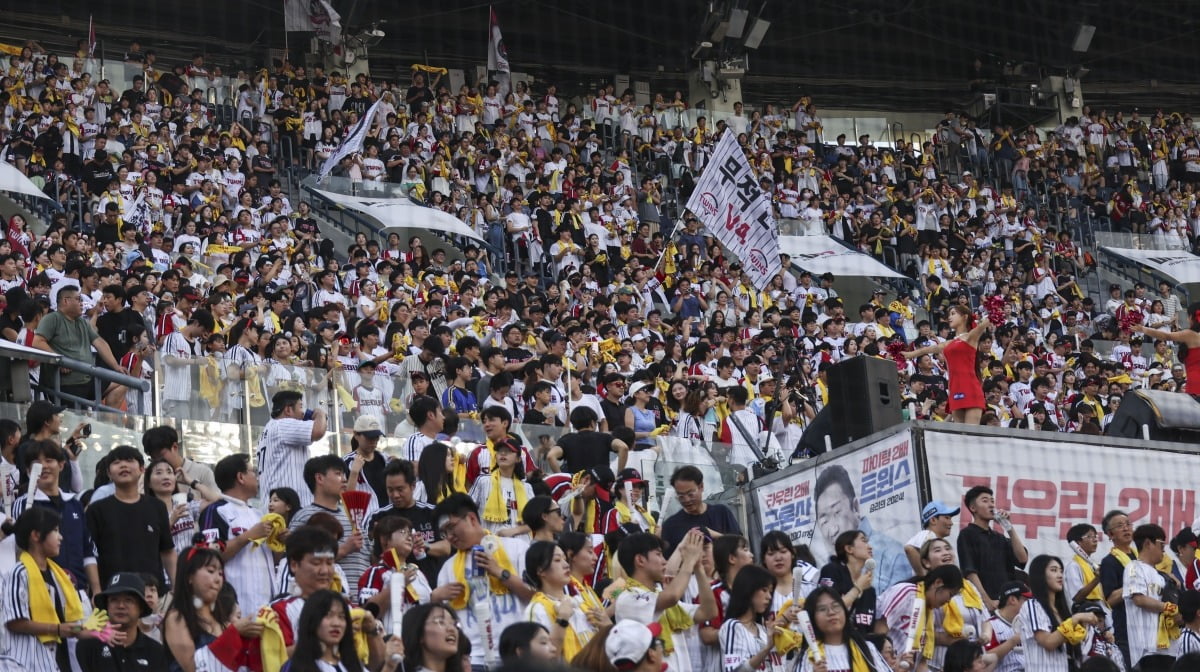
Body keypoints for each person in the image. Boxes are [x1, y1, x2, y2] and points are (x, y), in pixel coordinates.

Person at [432, 493, 534, 669]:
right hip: (473, 658)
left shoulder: (516, 548)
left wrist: (501, 573)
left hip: (516, 654)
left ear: (471, 518)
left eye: (451, 527)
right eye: (444, 532)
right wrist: (436, 598)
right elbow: (441, 620)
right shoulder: (449, 567)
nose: (449, 536)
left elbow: (536, 595)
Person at [0, 507, 93, 671]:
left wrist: (97, 631)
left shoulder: (59, 576)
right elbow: (15, 622)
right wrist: (56, 629)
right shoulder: (18, 573)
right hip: (26, 663)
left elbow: (68, 627)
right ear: (36, 535)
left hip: (59, 661)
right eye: (55, 531)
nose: (61, 537)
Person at [613, 530, 717, 672]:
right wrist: (688, 561)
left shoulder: (660, 597)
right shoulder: (628, 597)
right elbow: (672, 596)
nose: (664, 560)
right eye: (658, 554)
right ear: (640, 560)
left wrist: (698, 567)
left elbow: (708, 612)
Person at [197, 453, 278, 616]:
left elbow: (273, 559)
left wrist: (279, 542)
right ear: (240, 477)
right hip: (233, 610)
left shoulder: (258, 514)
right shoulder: (216, 511)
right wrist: (247, 536)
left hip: (267, 611)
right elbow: (208, 556)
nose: (257, 476)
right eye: (253, 471)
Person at [85, 445, 176, 587]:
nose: (123, 465)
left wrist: (176, 587)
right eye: (116, 462)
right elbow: (89, 555)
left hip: (152, 593)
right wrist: (96, 590)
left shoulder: (157, 507)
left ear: (142, 469)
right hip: (113, 593)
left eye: (129, 460)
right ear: (109, 473)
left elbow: (167, 550)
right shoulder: (96, 510)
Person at [812, 464, 908, 593]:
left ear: (856, 507)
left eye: (837, 512)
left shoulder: (892, 554)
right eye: (824, 520)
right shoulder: (827, 571)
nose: (833, 529)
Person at [289, 455, 374, 590]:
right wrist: (345, 549)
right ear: (320, 478)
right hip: (329, 600)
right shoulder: (304, 516)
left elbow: (369, 558)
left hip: (361, 600)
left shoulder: (351, 515)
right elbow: (297, 561)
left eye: (344, 474)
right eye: (338, 474)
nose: (345, 479)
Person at [32, 284, 127, 404]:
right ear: (66, 301)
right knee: (76, 419)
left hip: (87, 378)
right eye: (78, 299)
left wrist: (116, 366)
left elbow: (100, 343)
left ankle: (109, 420)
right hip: (65, 384)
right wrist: (59, 360)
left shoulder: (82, 322)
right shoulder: (52, 318)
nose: (82, 303)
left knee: (123, 381)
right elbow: (37, 342)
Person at [906, 306, 990, 424]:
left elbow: (983, 325)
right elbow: (927, 350)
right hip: (954, 389)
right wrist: (907, 354)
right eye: (949, 314)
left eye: (953, 313)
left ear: (964, 317)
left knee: (971, 434)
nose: (949, 317)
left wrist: (993, 313)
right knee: (960, 436)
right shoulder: (949, 343)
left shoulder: (970, 337)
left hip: (970, 387)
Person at [1020, 554, 1102, 672]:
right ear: (1040, 575)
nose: (1060, 575)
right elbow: (1048, 642)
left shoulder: (1062, 610)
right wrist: (1076, 618)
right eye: (1054, 570)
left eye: (1061, 571)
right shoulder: (1032, 606)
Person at [876, 564, 965, 669]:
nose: (949, 601)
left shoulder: (929, 615)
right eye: (950, 594)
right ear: (938, 583)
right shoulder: (907, 593)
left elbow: (921, 662)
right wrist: (888, 660)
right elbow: (880, 628)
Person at [76, 572, 168, 672]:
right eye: (114, 600)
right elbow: (69, 631)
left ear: (141, 607)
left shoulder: (155, 651)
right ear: (107, 606)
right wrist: (88, 630)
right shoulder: (88, 645)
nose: (120, 606)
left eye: (128, 600)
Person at [957, 485, 1028, 610]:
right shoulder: (967, 534)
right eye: (985, 501)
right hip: (985, 605)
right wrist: (987, 600)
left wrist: (1008, 526)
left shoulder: (999, 537)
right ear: (973, 508)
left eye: (992, 501)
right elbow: (970, 572)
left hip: (1009, 605)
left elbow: (1022, 559)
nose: (991, 505)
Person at [283, 588, 388, 672]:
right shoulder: (296, 667)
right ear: (312, 620)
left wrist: (390, 664)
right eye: (328, 615)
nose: (336, 623)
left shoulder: (352, 666)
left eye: (341, 617)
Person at [798, 585, 895, 672]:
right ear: (812, 617)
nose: (831, 612)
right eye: (822, 609)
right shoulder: (808, 657)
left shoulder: (867, 649)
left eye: (836, 606)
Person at [257, 390, 327, 509]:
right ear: (288, 410)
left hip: (275, 505)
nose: (303, 413)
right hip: (286, 507)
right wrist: (320, 413)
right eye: (300, 407)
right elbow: (318, 431)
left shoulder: (270, 427)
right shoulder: (282, 424)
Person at [1124, 524, 1180, 667]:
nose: (1164, 549)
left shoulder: (1163, 576)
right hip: (1147, 649)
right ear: (1148, 543)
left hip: (1171, 648)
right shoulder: (1134, 567)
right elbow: (1139, 599)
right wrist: (1168, 607)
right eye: (1161, 544)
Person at [717, 564, 786, 672]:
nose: (769, 596)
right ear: (748, 589)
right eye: (764, 590)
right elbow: (735, 670)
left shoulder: (764, 630)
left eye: (770, 591)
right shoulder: (732, 627)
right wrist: (767, 648)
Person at [660, 466, 741, 553]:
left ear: (701, 487)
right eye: (681, 496)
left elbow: (740, 546)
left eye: (690, 494)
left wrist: (712, 534)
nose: (687, 500)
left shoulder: (721, 513)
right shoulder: (671, 525)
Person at [1134, 303, 1200, 396]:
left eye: (1188, 316)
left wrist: (1143, 329)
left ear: (1191, 317)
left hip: (1195, 385)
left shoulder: (1191, 334)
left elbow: (1166, 336)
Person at [1099, 509, 1137, 666]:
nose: (1126, 528)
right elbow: (1110, 600)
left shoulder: (1139, 557)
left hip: (1146, 627)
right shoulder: (1109, 562)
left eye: (1128, 524)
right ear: (1110, 534)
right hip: (1126, 629)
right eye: (1120, 526)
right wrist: (1135, 585)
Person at [819, 529, 877, 633]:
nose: (870, 546)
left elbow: (868, 630)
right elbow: (827, 609)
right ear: (849, 549)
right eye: (864, 541)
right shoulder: (832, 571)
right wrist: (858, 588)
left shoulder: (869, 590)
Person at [983, 581, 1030, 672]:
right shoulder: (990, 625)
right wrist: (1013, 642)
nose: (1029, 604)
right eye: (1025, 600)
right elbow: (985, 659)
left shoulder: (1028, 623)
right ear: (1012, 600)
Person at [905, 500, 959, 576]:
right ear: (933, 520)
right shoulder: (928, 534)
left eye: (950, 519)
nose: (951, 523)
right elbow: (909, 548)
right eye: (947, 518)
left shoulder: (935, 539)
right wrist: (924, 577)